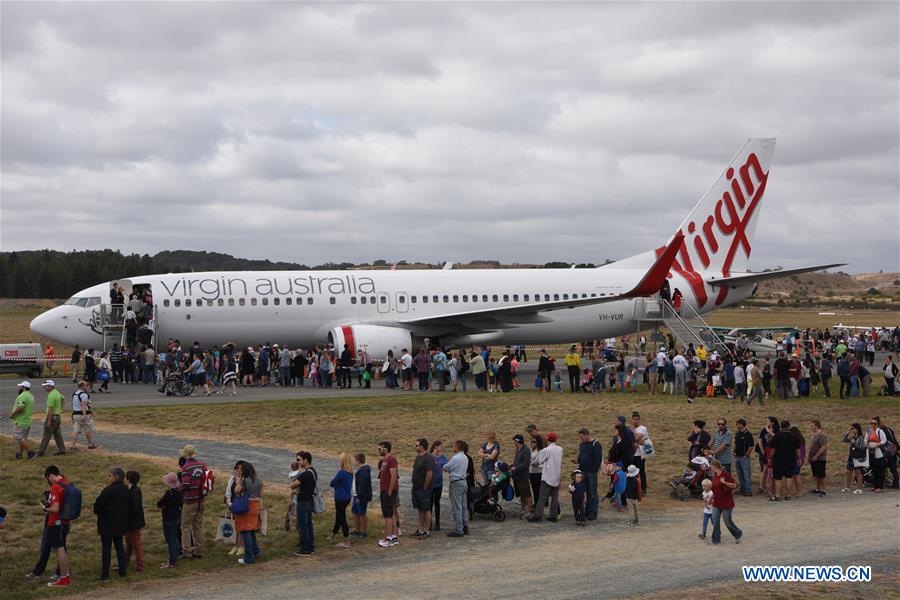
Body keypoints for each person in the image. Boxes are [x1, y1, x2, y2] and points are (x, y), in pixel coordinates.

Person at [28, 465, 71, 587]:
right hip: (65, 521)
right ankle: (64, 575)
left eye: (48, 478)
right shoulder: (67, 484)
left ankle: (63, 578)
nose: (48, 481)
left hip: (56, 522)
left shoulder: (56, 487)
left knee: (59, 549)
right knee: (61, 548)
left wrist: (45, 508)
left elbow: (55, 508)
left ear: (51, 475)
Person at [94, 466, 130, 581]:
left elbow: (97, 506)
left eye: (110, 476)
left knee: (106, 549)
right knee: (119, 546)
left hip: (107, 524)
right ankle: (123, 572)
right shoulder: (126, 490)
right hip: (120, 523)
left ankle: (105, 575)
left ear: (116, 477)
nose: (108, 478)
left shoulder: (108, 490)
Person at [179, 445, 208, 559]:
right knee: (198, 525)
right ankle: (199, 550)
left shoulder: (186, 467)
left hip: (190, 501)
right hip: (201, 499)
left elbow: (186, 485)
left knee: (185, 527)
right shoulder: (202, 465)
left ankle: (187, 551)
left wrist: (179, 487)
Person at [528, 432, 563, 523]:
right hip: (556, 476)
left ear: (547, 439)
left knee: (542, 497)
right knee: (554, 498)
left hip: (547, 476)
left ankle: (538, 515)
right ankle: (553, 515)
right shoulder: (560, 449)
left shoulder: (546, 450)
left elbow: (539, 461)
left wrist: (532, 462)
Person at [233, 461, 263, 564]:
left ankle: (249, 558)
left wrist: (238, 481)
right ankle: (256, 551)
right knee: (251, 531)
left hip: (247, 507)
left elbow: (236, 491)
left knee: (246, 531)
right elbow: (260, 494)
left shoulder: (244, 481)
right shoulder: (259, 480)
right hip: (256, 506)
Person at [709, 460, 742, 545]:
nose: (710, 468)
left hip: (726, 501)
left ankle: (738, 534)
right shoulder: (715, 476)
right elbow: (716, 489)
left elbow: (734, 485)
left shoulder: (725, 474)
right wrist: (711, 498)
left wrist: (724, 482)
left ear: (715, 466)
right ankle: (716, 539)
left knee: (727, 521)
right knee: (715, 520)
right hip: (717, 501)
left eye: (711, 466)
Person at [443, 440, 469, 538]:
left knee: (457, 506)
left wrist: (443, 464)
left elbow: (446, 467)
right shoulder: (465, 457)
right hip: (463, 482)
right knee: (463, 505)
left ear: (457, 447)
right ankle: (464, 525)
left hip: (456, 482)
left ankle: (459, 529)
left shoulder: (456, 458)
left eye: (454, 445)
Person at [575, 428, 603, 520]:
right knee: (585, 493)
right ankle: (586, 510)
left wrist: (592, 470)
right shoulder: (582, 444)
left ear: (587, 435)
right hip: (582, 472)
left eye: (582, 437)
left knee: (592, 492)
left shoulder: (596, 444)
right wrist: (577, 461)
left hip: (591, 473)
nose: (581, 439)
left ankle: (593, 512)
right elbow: (581, 456)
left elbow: (598, 460)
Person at [769, 420, 800, 501]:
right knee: (789, 477)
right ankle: (788, 495)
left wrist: (770, 458)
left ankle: (777, 495)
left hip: (779, 460)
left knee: (778, 478)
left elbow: (772, 450)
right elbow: (798, 449)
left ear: (781, 427)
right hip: (791, 460)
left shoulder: (776, 436)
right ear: (789, 426)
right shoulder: (794, 437)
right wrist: (799, 458)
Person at [157, 472, 183, 569]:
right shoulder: (180, 492)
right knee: (175, 538)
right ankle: (176, 555)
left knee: (170, 540)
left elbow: (159, 504)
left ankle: (172, 562)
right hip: (177, 517)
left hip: (168, 518)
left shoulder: (169, 493)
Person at [292, 451, 316, 555]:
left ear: (305, 460)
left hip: (302, 501)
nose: (297, 462)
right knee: (308, 524)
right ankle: (310, 546)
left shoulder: (305, 474)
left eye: (299, 460)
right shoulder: (313, 471)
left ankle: (306, 549)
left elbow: (292, 485)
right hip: (309, 500)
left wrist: (299, 472)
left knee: (302, 525)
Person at [376, 441, 400, 547]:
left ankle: (388, 538)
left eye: (380, 448)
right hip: (385, 490)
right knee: (389, 514)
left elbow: (394, 476)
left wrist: (389, 491)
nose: (379, 450)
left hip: (388, 491)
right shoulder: (384, 460)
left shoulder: (391, 459)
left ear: (386, 449)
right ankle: (394, 537)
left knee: (388, 515)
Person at [411, 438, 435, 538]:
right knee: (420, 509)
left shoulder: (428, 457)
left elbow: (429, 473)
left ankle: (427, 530)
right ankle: (420, 529)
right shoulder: (418, 457)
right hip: (416, 487)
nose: (415, 447)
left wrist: (425, 486)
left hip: (423, 488)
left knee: (426, 508)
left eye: (417, 445)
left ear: (422, 446)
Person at [328, 453, 353, 548]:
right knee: (339, 517)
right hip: (346, 497)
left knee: (342, 519)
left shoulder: (341, 472)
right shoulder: (350, 472)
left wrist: (336, 485)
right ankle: (333, 535)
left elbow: (332, 483)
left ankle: (347, 541)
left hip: (340, 498)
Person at [37, 380, 66, 456]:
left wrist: (49, 421)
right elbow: (63, 399)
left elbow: (51, 410)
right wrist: (61, 409)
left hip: (52, 417)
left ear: (50, 386)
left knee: (46, 434)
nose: (44, 387)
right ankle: (62, 450)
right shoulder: (56, 392)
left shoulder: (51, 396)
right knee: (57, 434)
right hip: (57, 417)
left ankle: (41, 451)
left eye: (46, 386)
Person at [124, 471, 146, 572]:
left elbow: (133, 507)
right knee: (129, 543)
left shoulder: (132, 492)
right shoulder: (136, 489)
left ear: (128, 479)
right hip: (134, 521)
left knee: (135, 543)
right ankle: (125, 562)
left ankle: (140, 565)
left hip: (133, 522)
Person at [10, 381, 38, 460]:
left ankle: (31, 452)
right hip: (27, 420)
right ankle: (19, 454)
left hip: (20, 420)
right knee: (22, 439)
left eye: (21, 387)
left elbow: (21, 407)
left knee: (18, 437)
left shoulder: (22, 396)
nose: (19, 388)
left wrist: (12, 414)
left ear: (24, 388)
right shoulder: (31, 396)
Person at [509, 434, 533, 517]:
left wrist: (516, 468)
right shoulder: (517, 448)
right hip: (516, 476)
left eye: (514, 440)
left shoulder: (526, 450)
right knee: (521, 494)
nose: (513, 442)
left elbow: (526, 463)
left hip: (523, 476)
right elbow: (516, 460)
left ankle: (529, 512)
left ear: (517, 441)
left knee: (527, 494)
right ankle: (523, 510)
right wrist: (512, 465)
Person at [70, 380, 96, 451]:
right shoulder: (83, 394)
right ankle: (90, 444)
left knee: (76, 429)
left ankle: (73, 445)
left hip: (75, 414)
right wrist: (84, 414)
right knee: (88, 429)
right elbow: (83, 404)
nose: (87, 386)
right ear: (82, 386)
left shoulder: (75, 393)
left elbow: (74, 404)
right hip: (82, 414)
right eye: (86, 385)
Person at [352, 453, 372, 538]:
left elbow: (362, 486)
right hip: (356, 495)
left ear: (358, 460)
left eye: (355, 460)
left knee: (362, 513)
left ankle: (363, 531)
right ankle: (358, 530)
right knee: (356, 512)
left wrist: (359, 497)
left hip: (361, 497)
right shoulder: (360, 471)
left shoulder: (363, 472)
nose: (354, 462)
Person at [865, 417, 888, 493]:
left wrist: (877, 445)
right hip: (871, 451)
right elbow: (866, 439)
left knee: (880, 470)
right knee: (874, 470)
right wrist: (866, 444)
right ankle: (875, 486)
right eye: (871, 423)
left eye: (875, 423)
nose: (873, 425)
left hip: (878, 452)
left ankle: (880, 487)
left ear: (877, 424)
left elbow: (884, 440)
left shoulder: (880, 431)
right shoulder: (869, 431)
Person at [429, 441, 449, 530]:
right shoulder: (429, 456)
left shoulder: (442, 457)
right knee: (429, 503)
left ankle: (437, 523)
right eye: (441, 446)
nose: (442, 448)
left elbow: (448, 466)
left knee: (437, 503)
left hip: (439, 483)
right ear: (436, 447)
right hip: (430, 483)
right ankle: (429, 523)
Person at [733, 419, 754, 497]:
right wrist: (734, 451)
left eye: (738, 424)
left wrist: (747, 454)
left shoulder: (748, 434)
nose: (737, 425)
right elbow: (735, 443)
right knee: (740, 474)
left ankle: (748, 490)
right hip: (737, 456)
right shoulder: (737, 433)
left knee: (746, 474)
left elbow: (751, 446)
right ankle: (742, 489)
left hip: (744, 457)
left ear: (742, 424)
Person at [807, 420, 828, 496]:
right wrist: (810, 456)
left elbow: (823, 446)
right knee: (816, 474)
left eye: (812, 426)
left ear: (817, 426)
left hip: (820, 458)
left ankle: (824, 490)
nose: (811, 427)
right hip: (813, 458)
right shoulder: (813, 435)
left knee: (821, 475)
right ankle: (817, 488)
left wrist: (816, 456)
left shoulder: (822, 435)